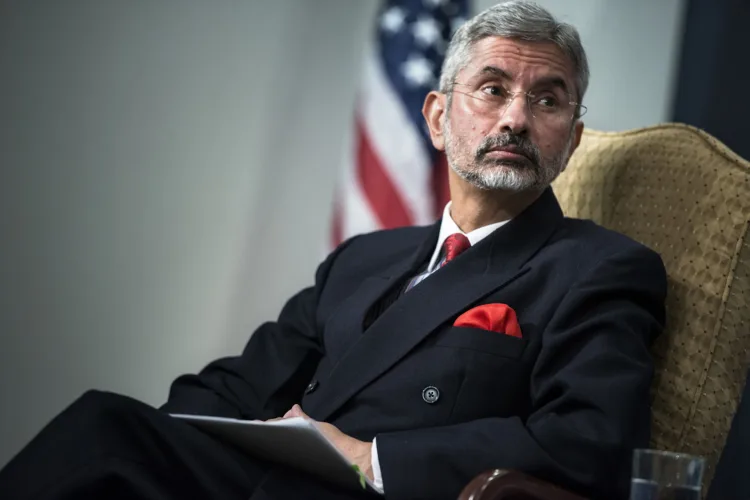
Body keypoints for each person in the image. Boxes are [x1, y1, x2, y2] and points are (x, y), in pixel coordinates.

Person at [0, 2, 666, 499]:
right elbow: (241, 385)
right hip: (261, 481)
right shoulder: (364, 258)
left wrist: (369, 457)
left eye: (546, 100)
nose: (515, 118)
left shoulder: (600, 268)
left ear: (571, 141)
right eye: (492, 89)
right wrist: (176, 434)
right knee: (108, 431)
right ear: (438, 118)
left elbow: (588, 444)